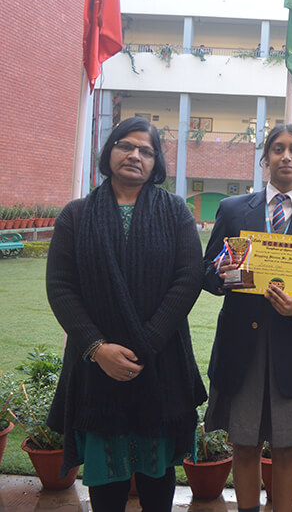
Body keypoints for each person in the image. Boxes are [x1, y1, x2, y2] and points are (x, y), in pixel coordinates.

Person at [46, 117, 207, 511]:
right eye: (125, 145)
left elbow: (188, 279)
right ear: (109, 152)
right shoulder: (76, 215)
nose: (135, 155)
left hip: (160, 363)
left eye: (146, 151)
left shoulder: (175, 212)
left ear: (156, 164)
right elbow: (61, 287)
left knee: (157, 473)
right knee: (106, 472)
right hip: (96, 368)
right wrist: (98, 348)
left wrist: (146, 344)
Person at [202, 124, 292, 512]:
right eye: (278, 149)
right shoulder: (233, 210)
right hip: (240, 347)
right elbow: (206, 274)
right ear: (265, 160)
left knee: (287, 446)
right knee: (243, 443)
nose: (286, 156)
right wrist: (224, 275)